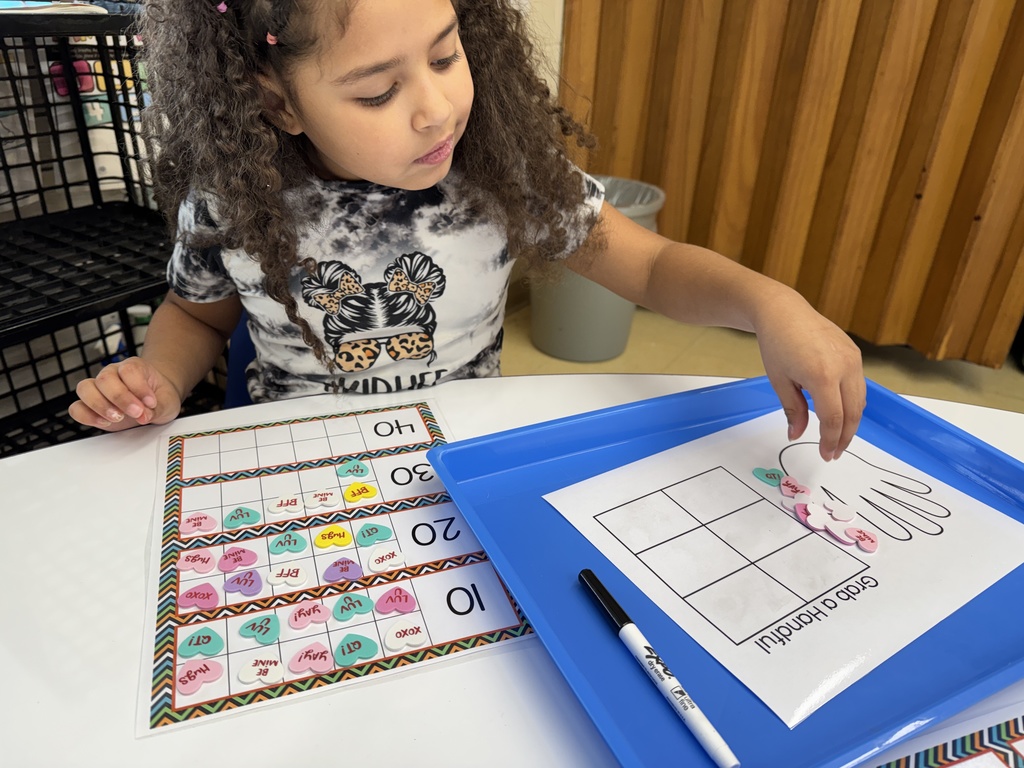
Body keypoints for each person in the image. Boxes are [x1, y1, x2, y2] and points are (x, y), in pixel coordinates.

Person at [69, 0, 865, 461]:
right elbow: (199, 314)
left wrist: (771, 304)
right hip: (288, 466)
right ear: (277, 103)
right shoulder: (231, 201)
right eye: (378, 93)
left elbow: (651, 269)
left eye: (446, 58)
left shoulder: (499, 173)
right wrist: (161, 379)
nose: (437, 109)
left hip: (455, 461)